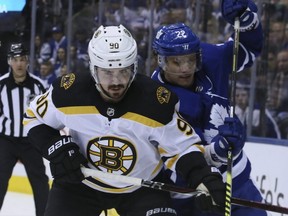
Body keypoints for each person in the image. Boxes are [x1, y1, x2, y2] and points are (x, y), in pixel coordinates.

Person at [23, 24, 226, 216]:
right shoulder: (68, 93)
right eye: (107, 72)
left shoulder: (155, 101)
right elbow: (33, 118)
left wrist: (203, 176)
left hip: (142, 187)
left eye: (123, 71)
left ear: (134, 67)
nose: (116, 82)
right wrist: (54, 147)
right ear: (94, 69)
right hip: (80, 184)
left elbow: (182, 148)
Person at [151, 0, 268, 216]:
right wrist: (218, 150)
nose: (185, 68)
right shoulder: (153, 98)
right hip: (195, 195)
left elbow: (248, 49)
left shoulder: (211, 58)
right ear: (161, 60)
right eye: (176, 62)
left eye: (190, 60)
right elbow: (171, 158)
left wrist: (247, 20)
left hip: (238, 183)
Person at [0, 43, 49, 216]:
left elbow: (46, 115)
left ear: (28, 61)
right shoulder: (1, 85)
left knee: (40, 183)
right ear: (9, 61)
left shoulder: (39, 86)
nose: (19, 63)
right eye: (15, 59)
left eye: (22, 59)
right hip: (6, 141)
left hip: (31, 143)